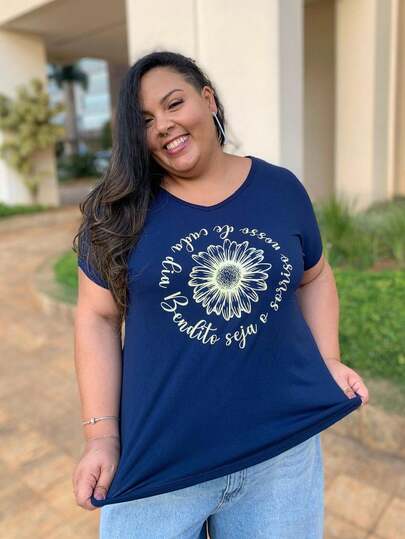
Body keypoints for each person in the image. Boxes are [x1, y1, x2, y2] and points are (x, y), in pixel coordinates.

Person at [71, 50, 369, 538]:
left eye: (174, 103)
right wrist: (101, 436)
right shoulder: (119, 212)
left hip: (280, 457)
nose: (164, 125)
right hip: (159, 466)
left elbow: (314, 277)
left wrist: (328, 361)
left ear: (207, 99)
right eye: (145, 121)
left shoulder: (280, 189)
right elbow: (97, 318)